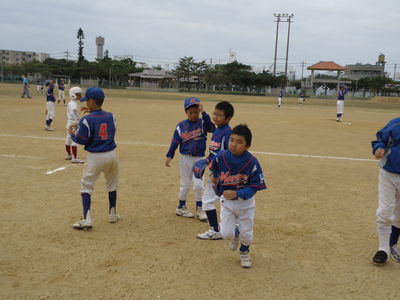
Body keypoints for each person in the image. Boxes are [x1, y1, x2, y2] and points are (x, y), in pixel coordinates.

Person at [210, 124, 266, 268]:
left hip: (245, 203)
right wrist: (215, 177)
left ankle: (244, 251)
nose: (234, 144)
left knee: (246, 235)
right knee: (226, 233)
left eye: (239, 142)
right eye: (232, 140)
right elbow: (213, 165)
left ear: (248, 146)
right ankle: (235, 234)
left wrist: (238, 194)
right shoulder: (221, 156)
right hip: (227, 202)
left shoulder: (252, 162)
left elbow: (254, 187)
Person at [69, 87, 120, 230]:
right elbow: (111, 130)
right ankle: (112, 214)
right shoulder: (111, 116)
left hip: (95, 157)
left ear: (91, 101)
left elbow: (82, 140)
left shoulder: (87, 119)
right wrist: (92, 113)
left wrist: (72, 132)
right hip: (112, 154)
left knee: (86, 186)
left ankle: (87, 219)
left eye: (88, 101)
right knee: (112, 185)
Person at [165, 97, 215, 220]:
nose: (193, 115)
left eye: (196, 112)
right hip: (185, 159)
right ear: (186, 112)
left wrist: (204, 113)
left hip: (199, 159)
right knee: (185, 184)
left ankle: (200, 208)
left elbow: (212, 128)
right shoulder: (181, 125)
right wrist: (169, 155)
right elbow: (175, 141)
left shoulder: (203, 123)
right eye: (190, 112)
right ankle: (181, 207)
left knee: (198, 185)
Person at [196, 101, 234, 240]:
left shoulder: (227, 133)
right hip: (216, 171)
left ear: (228, 118)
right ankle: (231, 226)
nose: (215, 117)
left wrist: (217, 175)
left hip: (221, 174)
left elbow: (226, 155)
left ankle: (215, 230)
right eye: (215, 114)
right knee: (226, 201)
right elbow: (214, 151)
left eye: (219, 115)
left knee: (207, 201)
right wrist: (207, 160)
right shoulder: (218, 129)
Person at [371, 117, 400, 264]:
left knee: (399, 213)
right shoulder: (395, 124)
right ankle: (383, 248)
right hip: (388, 174)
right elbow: (380, 140)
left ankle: (392, 243)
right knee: (384, 210)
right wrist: (378, 148)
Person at [65, 87, 85, 163]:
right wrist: (76, 120)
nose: (80, 96)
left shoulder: (71, 102)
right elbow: (73, 112)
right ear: (74, 95)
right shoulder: (73, 103)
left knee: (68, 139)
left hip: (69, 122)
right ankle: (74, 158)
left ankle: (68, 154)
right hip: (73, 123)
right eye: (79, 94)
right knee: (74, 140)